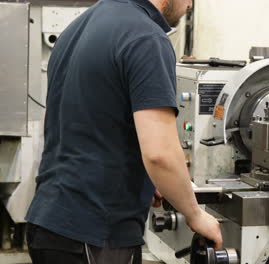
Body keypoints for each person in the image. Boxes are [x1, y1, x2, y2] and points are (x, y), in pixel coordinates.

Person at [25, 0, 223, 263]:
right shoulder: (147, 37)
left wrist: (145, 178)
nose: (189, 5)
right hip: (95, 235)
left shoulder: (76, 29)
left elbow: (82, 125)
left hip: (48, 223)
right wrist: (195, 215)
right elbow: (160, 154)